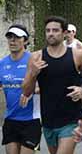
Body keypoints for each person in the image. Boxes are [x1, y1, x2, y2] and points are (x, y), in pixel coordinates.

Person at [22, 16, 82, 154]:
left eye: (55, 30)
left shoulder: (77, 55)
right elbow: (26, 92)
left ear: (64, 33)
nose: (51, 33)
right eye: (48, 30)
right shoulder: (36, 57)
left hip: (71, 119)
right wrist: (33, 73)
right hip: (48, 120)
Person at [0, 25, 41, 154]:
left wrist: (32, 91)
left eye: (17, 37)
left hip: (31, 121)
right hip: (10, 119)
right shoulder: (2, 63)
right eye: (10, 37)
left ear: (25, 41)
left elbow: (46, 86)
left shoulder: (34, 60)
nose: (12, 41)